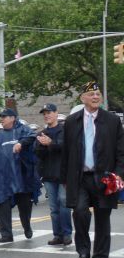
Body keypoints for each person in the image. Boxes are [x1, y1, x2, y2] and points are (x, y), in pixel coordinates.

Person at [61, 81, 124, 258]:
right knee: (79, 211)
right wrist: (65, 178)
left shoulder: (112, 121)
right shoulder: (72, 121)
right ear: (82, 98)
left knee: (102, 218)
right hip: (80, 177)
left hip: (104, 177)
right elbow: (66, 151)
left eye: (98, 94)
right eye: (91, 94)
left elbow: (121, 152)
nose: (96, 97)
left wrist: (119, 174)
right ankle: (82, 251)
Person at [0, 108, 39, 243]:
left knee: (24, 206)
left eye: (4, 117)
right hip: (3, 178)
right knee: (3, 205)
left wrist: (20, 143)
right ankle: (6, 234)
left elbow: (31, 137)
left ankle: (26, 226)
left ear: (13, 118)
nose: (1, 119)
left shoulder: (22, 130)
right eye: (0, 117)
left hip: (22, 177)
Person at [35, 103, 72, 246]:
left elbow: (66, 149)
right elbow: (38, 155)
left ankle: (67, 234)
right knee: (53, 207)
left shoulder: (65, 131)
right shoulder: (41, 133)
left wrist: (51, 143)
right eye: (44, 113)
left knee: (64, 203)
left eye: (49, 112)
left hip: (63, 174)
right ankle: (57, 235)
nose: (46, 115)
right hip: (49, 174)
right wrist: (42, 146)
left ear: (56, 113)